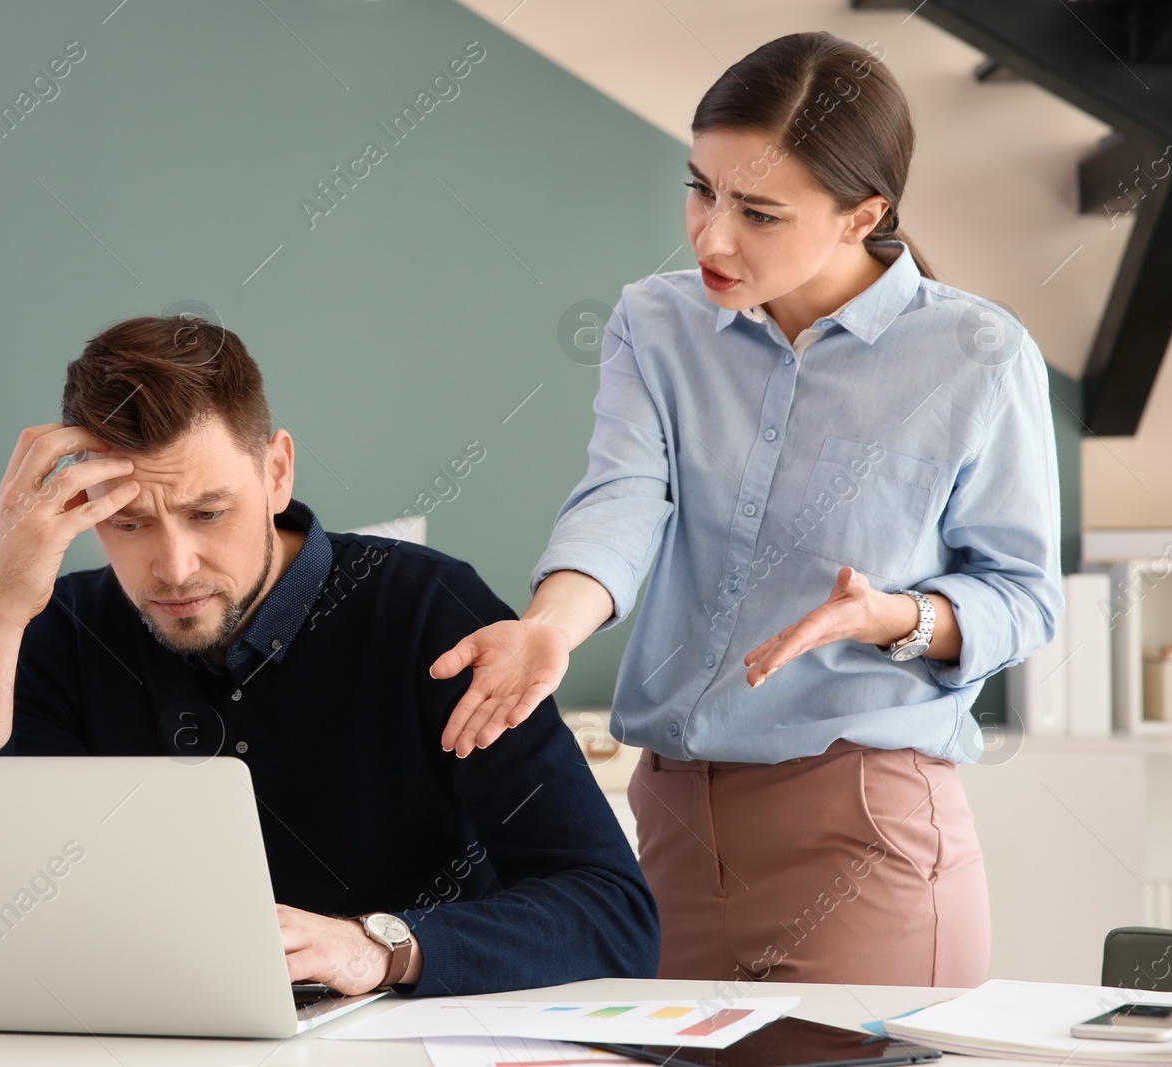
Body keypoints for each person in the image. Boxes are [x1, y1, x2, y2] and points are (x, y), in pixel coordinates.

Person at [432, 30, 1063, 987]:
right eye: (701, 189)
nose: (711, 236)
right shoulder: (656, 322)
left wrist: (893, 617)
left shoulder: (976, 352)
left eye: (759, 212)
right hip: (674, 822)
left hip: (866, 828)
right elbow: (626, 494)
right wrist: (551, 628)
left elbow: (1023, 596)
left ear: (865, 214)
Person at [0, 314, 660, 998]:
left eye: (209, 512)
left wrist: (381, 949)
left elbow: (613, 916)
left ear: (277, 471)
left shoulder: (429, 612)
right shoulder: (60, 631)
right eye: (129, 523)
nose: (174, 566)